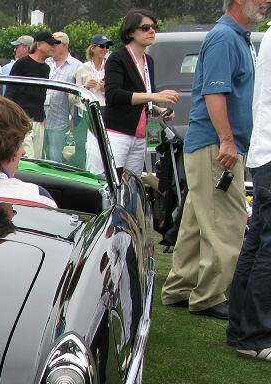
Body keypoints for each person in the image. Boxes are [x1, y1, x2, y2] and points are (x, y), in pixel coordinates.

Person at [162, 0, 263, 319]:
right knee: (226, 220)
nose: (267, 3)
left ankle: (181, 287)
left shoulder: (235, 38)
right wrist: (227, 141)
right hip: (217, 146)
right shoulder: (225, 38)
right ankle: (208, 296)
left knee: (196, 219)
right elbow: (214, 93)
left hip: (210, 144)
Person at [229, 33, 271, 360]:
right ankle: (256, 335)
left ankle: (242, 331)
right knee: (265, 243)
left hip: (263, 150)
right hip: (268, 151)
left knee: (258, 238)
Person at [103, 12, 179, 175]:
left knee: (132, 184)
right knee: (112, 182)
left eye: (154, 27)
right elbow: (113, 95)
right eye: (145, 28)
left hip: (139, 135)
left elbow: (142, 99)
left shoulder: (148, 61)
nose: (152, 31)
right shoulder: (117, 58)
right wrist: (153, 96)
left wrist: (158, 110)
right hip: (117, 133)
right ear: (130, 32)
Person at [6, 31, 59, 159]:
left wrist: (43, 116)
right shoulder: (21, 64)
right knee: (27, 158)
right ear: (39, 45)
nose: (53, 47)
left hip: (38, 120)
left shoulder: (46, 68)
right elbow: (10, 93)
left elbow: (41, 94)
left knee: (37, 158)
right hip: (22, 120)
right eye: (50, 44)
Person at [45, 31, 82, 163]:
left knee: (55, 158)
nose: (51, 46)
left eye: (55, 44)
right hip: (41, 118)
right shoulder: (46, 62)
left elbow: (79, 98)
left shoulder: (77, 66)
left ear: (65, 45)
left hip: (61, 120)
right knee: (38, 157)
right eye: (50, 44)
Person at [77, 34, 110, 104]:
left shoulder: (111, 68)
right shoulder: (82, 68)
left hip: (107, 108)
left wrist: (105, 90)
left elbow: (117, 95)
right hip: (88, 109)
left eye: (107, 46)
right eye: (102, 46)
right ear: (92, 48)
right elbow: (73, 98)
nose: (105, 49)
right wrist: (85, 87)